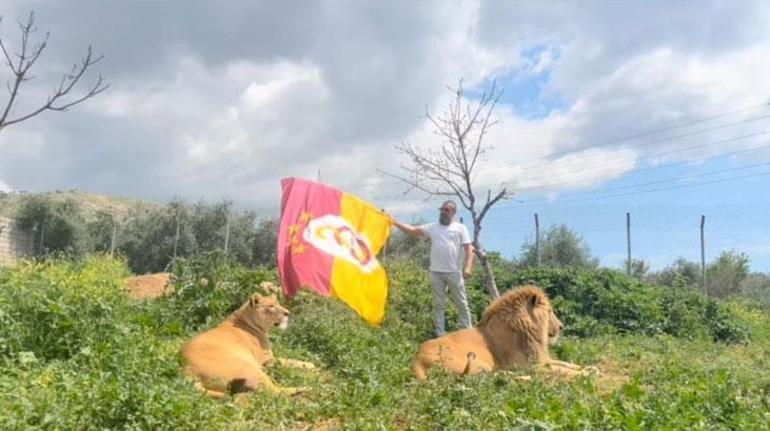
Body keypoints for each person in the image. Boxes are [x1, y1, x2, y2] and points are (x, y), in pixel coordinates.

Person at [391, 200, 474, 337]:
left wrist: (468, 266)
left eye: (446, 210)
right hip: (436, 272)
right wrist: (394, 221)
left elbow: (469, 249)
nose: (443, 212)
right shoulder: (433, 227)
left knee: (461, 302)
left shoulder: (460, 228)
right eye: (442, 209)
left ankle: (467, 330)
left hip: (454, 272)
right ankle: (440, 333)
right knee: (438, 304)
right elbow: (412, 230)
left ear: (453, 212)